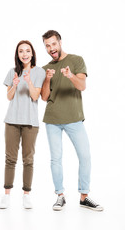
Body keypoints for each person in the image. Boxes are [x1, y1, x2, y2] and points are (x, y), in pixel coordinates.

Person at [41, 30, 103, 211]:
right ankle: (60, 196)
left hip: (74, 118)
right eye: (47, 45)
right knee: (56, 159)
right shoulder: (46, 68)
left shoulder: (76, 60)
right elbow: (44, 97)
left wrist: (70, 76)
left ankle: (84, 197)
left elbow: (82, 86)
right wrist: (46, 80)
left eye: (53, 44)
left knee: (85, 156)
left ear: (60, 42)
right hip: (52, 119)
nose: (51, 48)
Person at [0, 40, 45, 209]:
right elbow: (9, 97)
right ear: (17, 54)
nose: (24, 54)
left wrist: (29, 81)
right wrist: (15, 85)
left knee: (28, 159)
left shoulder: (40, 72)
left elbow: (35, 96)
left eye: (27, 51)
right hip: (11, 121)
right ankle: (6, 195)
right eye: (21, 51)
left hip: (30, 122)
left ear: (32, 53)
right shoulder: (12, 72)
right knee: (10, 159)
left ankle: (26, 195)